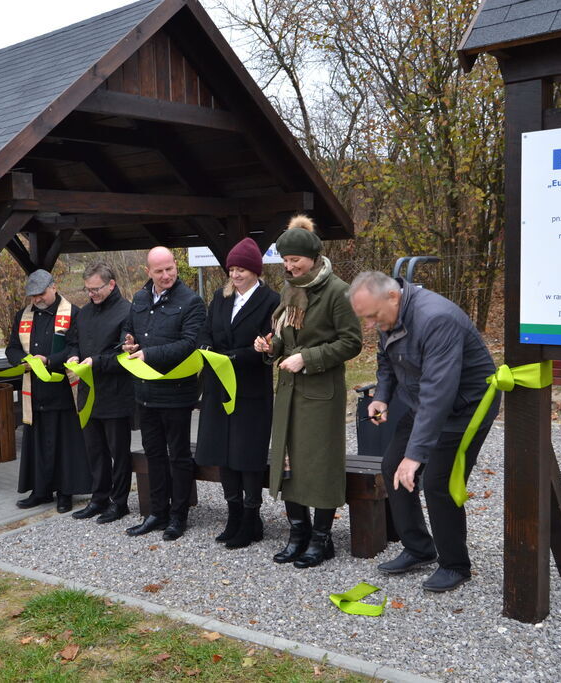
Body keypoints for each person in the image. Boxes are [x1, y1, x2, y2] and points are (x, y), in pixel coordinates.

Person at [348, 270, 500, 592]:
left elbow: (439, 391)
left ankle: (455, 564)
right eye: (367, 319)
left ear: (393, 296)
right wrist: (381, 397)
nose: (372, 325)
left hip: (466, 406)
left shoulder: (436, 319)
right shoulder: (387, 315)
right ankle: (419, 548)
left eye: (373, 316)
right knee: (392, 467)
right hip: (424, 402)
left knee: (437, 482)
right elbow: (386, 361)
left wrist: (416, 455)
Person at [254, 215, 362, 568]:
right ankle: (297, 535)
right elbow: (287, 336)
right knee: (289, 465)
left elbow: (352, 342)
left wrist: (307, 358)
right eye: (285, 261)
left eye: (295, 261)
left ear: (313, 258)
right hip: (288, 391)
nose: (289, 267)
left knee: (319, 466)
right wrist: (271, 346)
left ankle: (321, 539)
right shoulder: (290, 289)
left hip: (320, 393)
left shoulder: (338, 291)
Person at [195, 238, 280, 549]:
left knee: (247, 455)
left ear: (256, 270)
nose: (235, 274)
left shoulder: (271, 300)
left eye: (241, 269)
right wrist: (205, 348)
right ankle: (233, 514)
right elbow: (206, 330)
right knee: (223, 454)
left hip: (250, 388)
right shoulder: (221, 297)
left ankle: (250, 517)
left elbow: (267, 344)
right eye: (231, 269)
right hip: (219, 386)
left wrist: (234, 357)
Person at [121, 247, 206, 541]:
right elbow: (129, 331)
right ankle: (157, 512)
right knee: (154, 454)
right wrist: (129, 343)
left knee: (178, 456)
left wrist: (149, 354)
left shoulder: (191, 301)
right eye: (159, 271)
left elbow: (189, 344)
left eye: (170, 268)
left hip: (177, 393)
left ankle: (178, 516)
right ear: (148, 272)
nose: (166, 275)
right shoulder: (141, 297)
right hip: (145, 392)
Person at [7, 269, 91, 514]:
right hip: (34, 391)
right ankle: (40, 490)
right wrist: (21, 359)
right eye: (32, 296)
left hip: (62, 390)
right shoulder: (22, 316)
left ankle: (65, 491)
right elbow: (11, 348)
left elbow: (76, 347)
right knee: (37, 444)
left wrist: (49, 361)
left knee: (64, 444)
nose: (37, 300)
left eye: (41, 294)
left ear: (54, 287)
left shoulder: (73, 313)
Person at [67, 263, 135, 525]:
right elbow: (74, 340)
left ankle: (120, 502)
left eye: (96, 289)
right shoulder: (83, 314)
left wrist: (96, 361)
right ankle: (99, 498)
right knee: (94, 450)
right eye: (88, 290)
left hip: (115, 393)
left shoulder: (126, 311)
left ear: (111, 284)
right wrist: (74, 354)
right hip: (87, 392)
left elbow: (124, 355)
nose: (91, 294)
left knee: (118, 451)